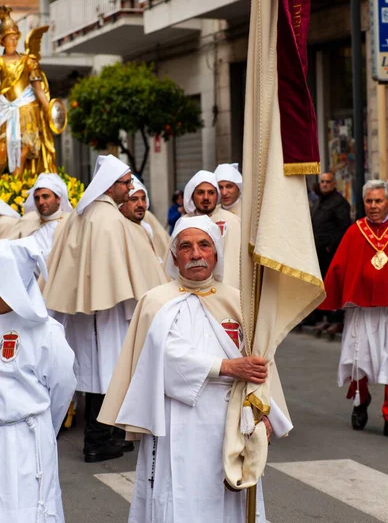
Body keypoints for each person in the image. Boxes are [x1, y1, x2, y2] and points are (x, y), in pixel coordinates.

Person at [99, 216, 292, 523]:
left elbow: (258, 362)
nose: (196, 254)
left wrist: (265, 413)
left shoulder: (239, 303)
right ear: (174, 256)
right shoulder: (155, 302)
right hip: (177, 418)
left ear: (216, 253)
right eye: (186, 247)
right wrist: (228, 366)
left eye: (204, 245)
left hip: (228, 420)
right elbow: (163, 360)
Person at [42, 155, 167, 462]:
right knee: (106, 374)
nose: (129, 188)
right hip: (108, 311)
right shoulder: (108, 219)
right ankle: (97, 442)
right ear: (112, 186)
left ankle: (107, 436)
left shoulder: (82, 213)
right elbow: (123, 270)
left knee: (100, 373)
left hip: (90, 310)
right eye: (126, 183)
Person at [0, 236, 76, 523]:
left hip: (25, 436)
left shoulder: (47, 333)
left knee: (28, 509)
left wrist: (39, 424)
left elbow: (62, 387)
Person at [320, 180, 388, 440]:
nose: (374, 206)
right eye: (369, 201)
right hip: (361, 310)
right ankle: (360, 400)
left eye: (378, 201)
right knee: (359, 358)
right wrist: (330, 296)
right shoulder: (355, 232)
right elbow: (338, 268)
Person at [0, 6, 56, 176]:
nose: (13, 41)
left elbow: (38, 88)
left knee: (24, 151)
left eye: (15, 37)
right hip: (5, 110)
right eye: (9, 38)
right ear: (2, 40)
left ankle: (16, 186)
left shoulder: (27, 61)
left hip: (27, 109)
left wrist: (49, 109)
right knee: (2, 150)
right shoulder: (0, 62)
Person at [183, 170, 241, 288]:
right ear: (192, 195)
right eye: (200, 193)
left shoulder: (232, 221)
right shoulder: (184, 223)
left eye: (211, 193)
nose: (206, 197)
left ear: (217, 196)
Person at [311, 172, 351, 336]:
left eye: (328, 182)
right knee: (321, 285)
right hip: (318, 251)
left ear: (334, 184)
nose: (324, 184)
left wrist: (331, 246)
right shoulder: (319, 201)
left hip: (331, 251)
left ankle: (337, 319)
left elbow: (343, 227)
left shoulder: (339, 203)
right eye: (322, 182)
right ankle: (325, 317)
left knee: (333, 284)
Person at [8, 173, 72, 260]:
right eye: (37, 198)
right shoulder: (27, 222)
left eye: (45, 196)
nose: (40, 202)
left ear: (58, 199)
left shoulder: (70, 222)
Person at [119, 176, 160, 259]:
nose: (140, 204)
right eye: (134, 199)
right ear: (121, 206)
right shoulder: (119, 230)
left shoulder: (146, 228)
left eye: (143, 199)